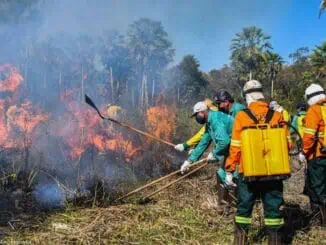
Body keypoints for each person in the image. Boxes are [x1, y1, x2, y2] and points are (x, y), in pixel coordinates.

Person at [225, 80, 290, 244]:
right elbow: (287, 144)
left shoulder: (241, 116)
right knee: (274, 211)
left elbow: (235, 147)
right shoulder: (277, 115)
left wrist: (229, 169)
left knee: (244, 209)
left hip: (249, 174)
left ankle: (240, 241)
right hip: (274, 172)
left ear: (247, 97)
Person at [301, 83, 326, 227]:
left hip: (319, 157)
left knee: (317, 189)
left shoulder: (314, 110)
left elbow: (309, 137)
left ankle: (319, 221)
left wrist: (303, 153)